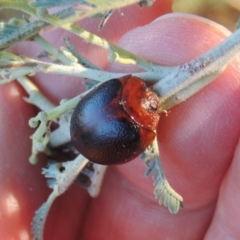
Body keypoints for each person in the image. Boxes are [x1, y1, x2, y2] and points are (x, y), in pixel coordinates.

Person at [1, 1, 240, 239]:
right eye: (154, 105)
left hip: (93, 125)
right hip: (91, 125)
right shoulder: (136, 114)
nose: (153, 97)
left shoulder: (140, 119)